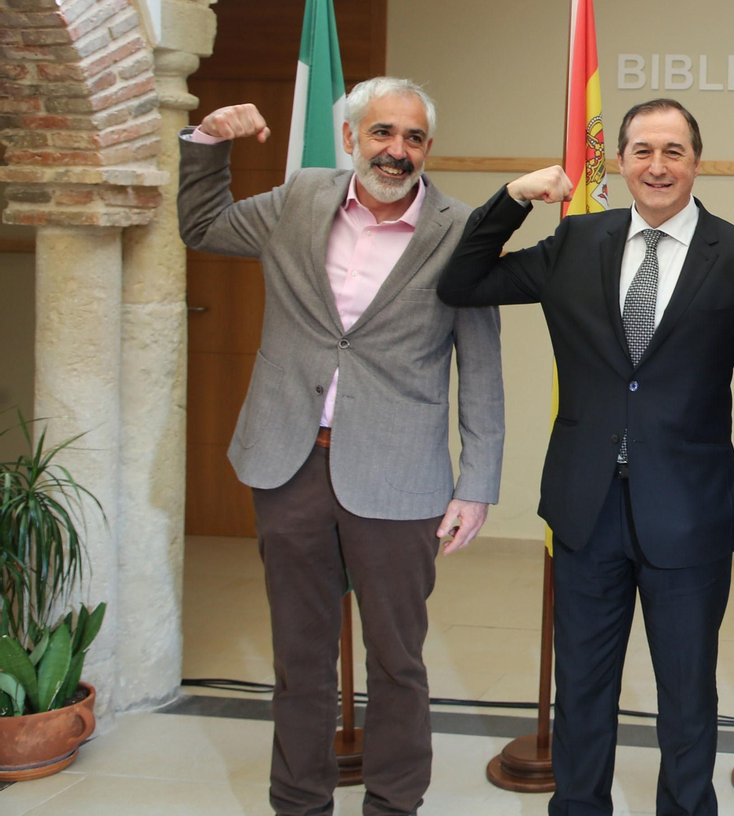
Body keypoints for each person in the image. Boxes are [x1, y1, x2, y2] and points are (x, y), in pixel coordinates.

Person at [437, 97, 734, 816]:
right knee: (582, 691)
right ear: (620, 162)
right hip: (584, 511)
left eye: (673, 151)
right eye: (642, 151)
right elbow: (462, 281)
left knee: (687, 698)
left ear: (696, 162)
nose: (657, 166)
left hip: (689, 517)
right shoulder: (576, 241)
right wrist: (512, 199)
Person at [177, 76, 506, 816]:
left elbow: (481, 367)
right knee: (299, 659)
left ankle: (393, 804)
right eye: (383, 132)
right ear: (353, 137)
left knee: (397, 661)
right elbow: (201, 226)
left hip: (400, 475)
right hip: (289, 463)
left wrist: (477, 482)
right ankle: (298, 803)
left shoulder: (460, 229)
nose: (397, 151)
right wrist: (208, 142)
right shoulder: (299, 199)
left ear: (428, 148)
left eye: (414, 138)